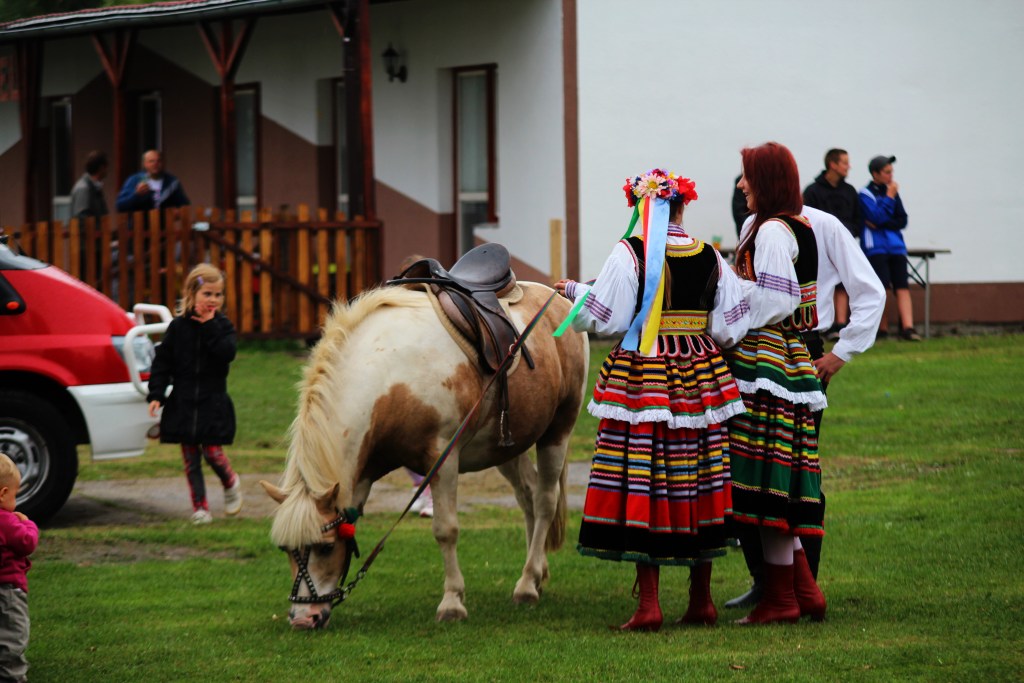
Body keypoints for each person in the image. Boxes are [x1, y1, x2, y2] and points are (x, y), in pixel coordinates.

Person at [555, 168, 752, 631]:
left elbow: (605, 316)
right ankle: (700, 599)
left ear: (645, 207)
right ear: (682, 206)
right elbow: (729, 325)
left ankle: (650, 605)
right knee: (699, 476)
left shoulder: (631, 253)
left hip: (646, 375)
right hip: (701, 376)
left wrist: (570, 292)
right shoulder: (709, 255)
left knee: (646, 474)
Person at [724, 203, 885, 610]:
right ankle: (768, 581)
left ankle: (802, 583)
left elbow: (871, 290)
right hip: (751, 354)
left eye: (747, 178)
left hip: (801, 351)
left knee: (796, 471)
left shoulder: (824, 224)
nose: (741, 187)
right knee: (750, 470)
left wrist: (841, 353)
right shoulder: (751, 224)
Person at [726, 142, 827, 625]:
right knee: (775, 477)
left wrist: (729, 315)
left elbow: (779, 300)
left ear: (764, 181)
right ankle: (802, 591)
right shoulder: (794, 225)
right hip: (787, 363)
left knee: (764, 480)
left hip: (768, 363)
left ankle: (781, 600)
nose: (741, 185)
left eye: (747, 177)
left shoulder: (770, 231)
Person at [147, 263, 242, 524]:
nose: (212, 300)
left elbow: (227, 353)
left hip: (213, 402)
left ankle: (230, 481)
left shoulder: (223, 326)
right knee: (191, 459)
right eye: (207, 294)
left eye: (217, 295)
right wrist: (156, 393)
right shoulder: (178, 328)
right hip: (184, 403)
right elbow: (162, 363)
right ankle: (200, 508)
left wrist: (210, 327)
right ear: (192, 294)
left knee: (213, 453)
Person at [803, 149, 863, 340]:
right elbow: (806, 219)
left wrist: (847, 233)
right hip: (819, 247)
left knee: (843, 283)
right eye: (845, 162)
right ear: (833, 164)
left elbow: (857, 218)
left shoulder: (850, 191)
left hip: (844, 245)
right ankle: (822, 325)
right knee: (823, 282)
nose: (849, 166)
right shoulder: (813, 191)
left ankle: (840, 324)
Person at [859, 155, 920, 341]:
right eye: (887, 172)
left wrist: (884, 219)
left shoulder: (893, 192)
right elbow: (874, 217)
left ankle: (908, 328)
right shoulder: (864, 194)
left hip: (896, 246)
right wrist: (889, 198)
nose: (891, 175)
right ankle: (882, 329)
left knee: (902, 287)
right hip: (875, 248)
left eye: (891, 171)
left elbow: (902, 220)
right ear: (875, 173)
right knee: (882, 287)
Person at [0, 452, 38, 683]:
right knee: (12, 641)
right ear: (4, 494)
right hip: (8, 594)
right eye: (15, 494)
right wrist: (28, 523)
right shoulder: (7, 521)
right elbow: (27, 542)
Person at [115, 149, 190, 212]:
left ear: (163, 163)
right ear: (144, 164)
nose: (155, 164)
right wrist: (136, 195)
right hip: (138, 228)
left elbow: (185, 205)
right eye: (151, 161)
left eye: (159, 161)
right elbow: (120, 206)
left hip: (163, 228)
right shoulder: (135, 180)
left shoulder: (172, 182)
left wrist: (178, 211)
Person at [69, 150, 109, 219]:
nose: (107, 170)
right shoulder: (83, 188)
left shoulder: (95, 187)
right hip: (91, 229)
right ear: (101, 168)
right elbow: (81, 217)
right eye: (106, 167)